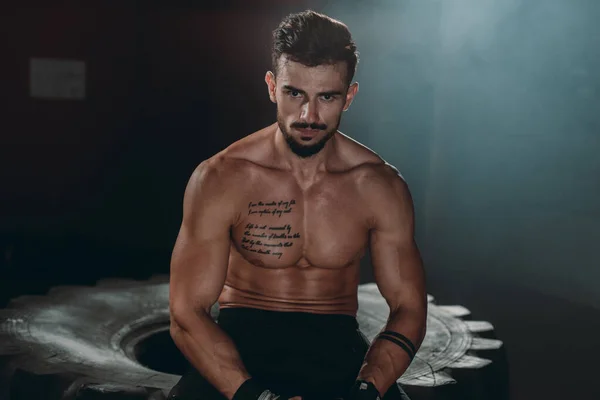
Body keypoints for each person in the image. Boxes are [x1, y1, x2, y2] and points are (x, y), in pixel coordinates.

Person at [168, 9, 427, 400]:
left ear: (349, 96)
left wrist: (366, 390)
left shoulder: (379, 186)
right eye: (295, 94)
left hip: (336, 349)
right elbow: (186, 313)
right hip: (240, 348)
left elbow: (409, 307)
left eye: (327, 97)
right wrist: (255, 397)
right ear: (272, 87)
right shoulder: (222, 178)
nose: (309, 115)